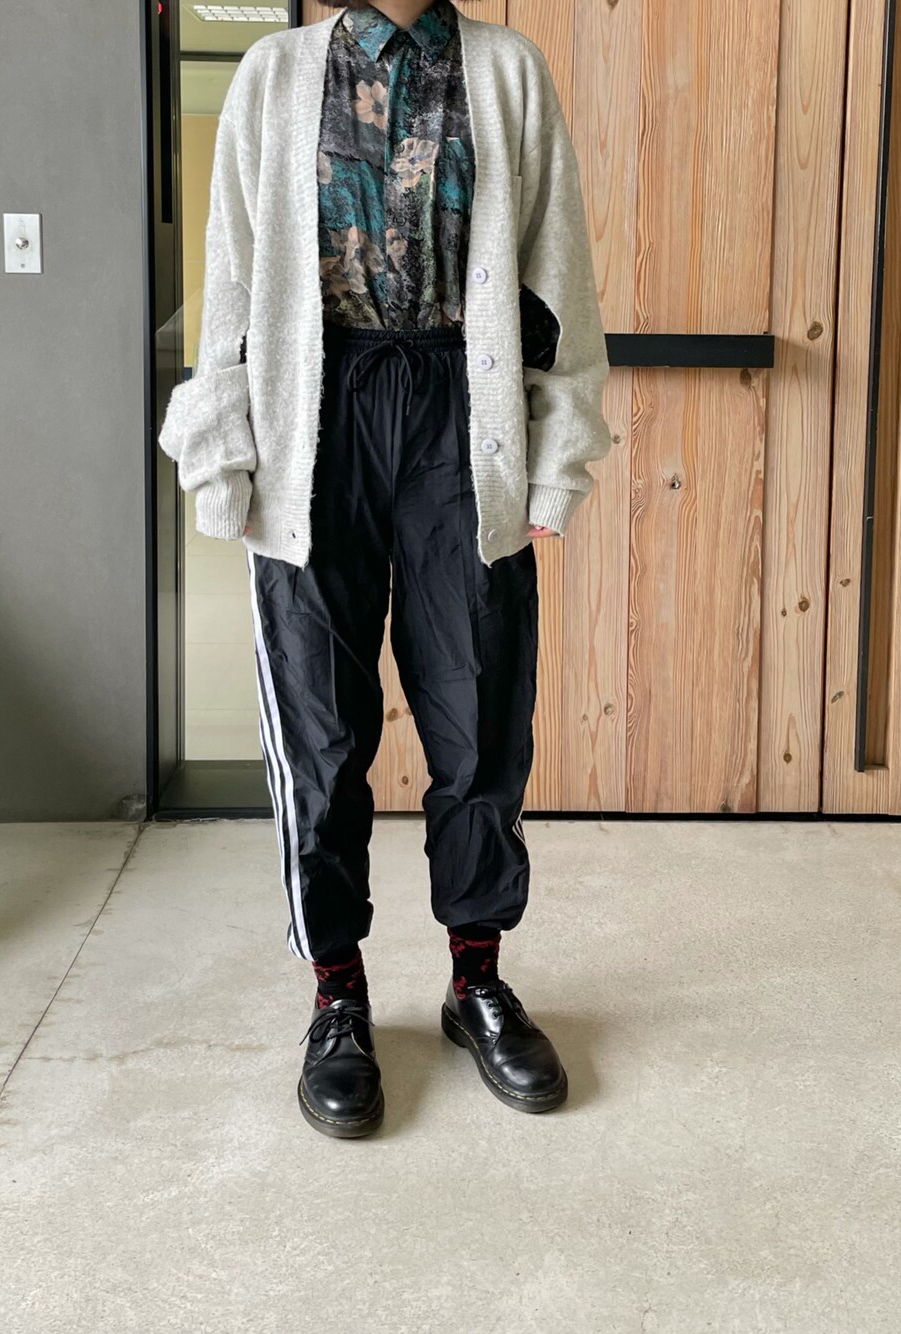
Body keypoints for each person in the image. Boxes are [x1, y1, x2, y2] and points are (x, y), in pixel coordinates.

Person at [158, 0, 613, 1137]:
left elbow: (554, 276)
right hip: (312, 418)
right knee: (320, 727)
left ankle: (475, 978)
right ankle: (337, 995)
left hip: (466, 408)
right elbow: (232, 273)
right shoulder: (273, 75)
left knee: (480, 710)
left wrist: (550, 459)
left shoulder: (506, 71)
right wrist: (225, 453)